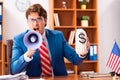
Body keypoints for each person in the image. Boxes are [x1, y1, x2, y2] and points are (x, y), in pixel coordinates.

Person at [11, 4, 90, 77]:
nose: (35, 23)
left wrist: (82, 53)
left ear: (45, 21)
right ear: (27, 22)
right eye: (32, 20)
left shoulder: (57, 36)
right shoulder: (19, 39)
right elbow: (14, 70)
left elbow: (75, 59)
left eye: (39, 19)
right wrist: (27, 55)